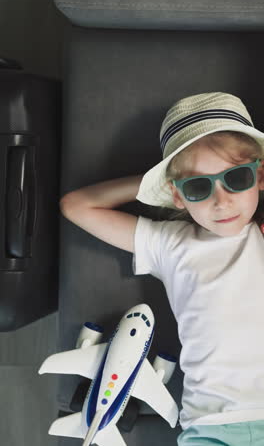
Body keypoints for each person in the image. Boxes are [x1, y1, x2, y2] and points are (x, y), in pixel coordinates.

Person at [60, 92, 264, 445]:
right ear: (178, 197)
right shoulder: (171, 243)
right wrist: (157, 183)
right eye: (200, 186)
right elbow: (76, 206)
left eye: (237, 178)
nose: (222, 200)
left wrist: (188, 178)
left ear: (260, 177)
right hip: (210, 424)